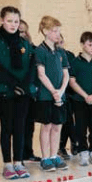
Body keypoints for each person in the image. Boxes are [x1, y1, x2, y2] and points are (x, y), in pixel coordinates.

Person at [0, 6, 35, 180]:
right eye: (9, 21)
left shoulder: (24, 43)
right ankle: (8, 164)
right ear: (2, 21)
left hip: (23, 92)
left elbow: (31, 66)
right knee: (7, 127)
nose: (13, 24)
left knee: (20, 128)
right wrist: (14, 84)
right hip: (5, 91)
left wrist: (23, 85)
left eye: (16, 21)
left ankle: (18, 162)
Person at [33, 16, 70, 172]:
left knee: (57, 126)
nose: (57, 34)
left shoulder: (61, 52)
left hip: (59, 95)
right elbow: (41, 74)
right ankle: (45, 157)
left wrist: (60, 91)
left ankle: (55, 155)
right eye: (54, 31)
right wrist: (53, 91)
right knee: (47, 126)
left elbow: (66, 74)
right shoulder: (40, 51)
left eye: (59, 31)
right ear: (45, 31)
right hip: (46, 96)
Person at [69, 32, 92, 166]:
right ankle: (83, 151)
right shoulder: (75, 62)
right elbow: (72, 82)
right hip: (80, 100)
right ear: (82, 44)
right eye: (90, 45)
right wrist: (85, 96)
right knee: (81, 127)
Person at [19, 19, 41, 163]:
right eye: (21, 31)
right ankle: (18, 154)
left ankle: (29, 152)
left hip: (32, 93)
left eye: (26, 30)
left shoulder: (34, 48)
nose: (25, 34)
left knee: (29, 125)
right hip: (19, 92)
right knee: (19, 126)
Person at [57, 34, 78, 161]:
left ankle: (68, 145)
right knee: (65, 120)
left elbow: (74, 73)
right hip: (57, 92)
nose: (59, 43)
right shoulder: (52, 55)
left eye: (61, 41)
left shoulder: (70, 55)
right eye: (57, 41)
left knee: (69, 120)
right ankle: (67, 145)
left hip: (70, 92)